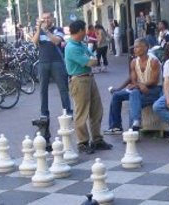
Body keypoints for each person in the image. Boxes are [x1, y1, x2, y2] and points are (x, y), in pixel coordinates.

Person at [64, 20, 113, 154]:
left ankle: (97, 139)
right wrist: (92, 59)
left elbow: (93, 57)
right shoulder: (71, 47)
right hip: (79, 81)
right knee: (82, 112)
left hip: (89, 78)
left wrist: (92, 59)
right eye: (84, 29)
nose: (86, 32)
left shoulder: (80, 44)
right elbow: (90, 61)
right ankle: (82, 142)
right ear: (80, 31)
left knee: (96, 109)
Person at [105, 38, 161, 134]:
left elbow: (154, 81)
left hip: (153, 90)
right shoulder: (134, 62)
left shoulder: (153, 61)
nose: (134, 49)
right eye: (134, 47)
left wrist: (140, 85)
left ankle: (133, 128)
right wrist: (139, 85)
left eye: (137, 47)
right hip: (138, 89)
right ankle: (116, 126)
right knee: (117, 96)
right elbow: (133, 80)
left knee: (134, 95)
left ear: (146, 48)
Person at [31, 12, 72, 118]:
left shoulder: (58, 30)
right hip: (43, 62)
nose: (46, 20)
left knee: (63, 88)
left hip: (56, 62)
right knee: (43, 89)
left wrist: (46, 31)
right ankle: (44, 113)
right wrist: (39, 29)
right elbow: (34, 42)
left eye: (48, 18)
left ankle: (67, 111)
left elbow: (57, 41)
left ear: (52, 19)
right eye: (43, 18)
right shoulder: (38, 31)